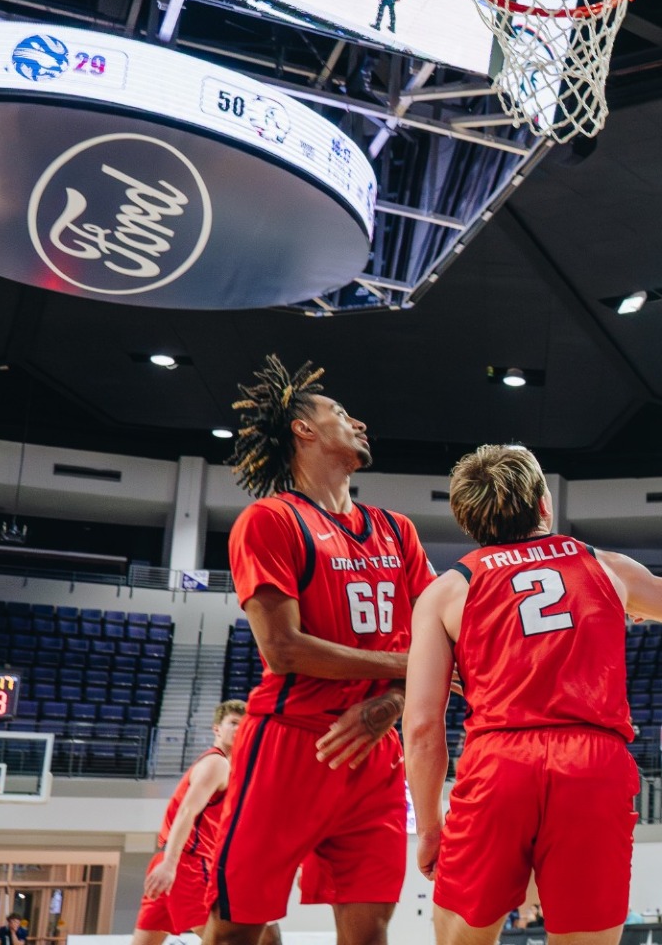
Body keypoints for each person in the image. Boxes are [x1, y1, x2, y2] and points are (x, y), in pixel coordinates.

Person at [405, 445, 662, 945]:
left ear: (469, 518)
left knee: (459, 938)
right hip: (592, 763)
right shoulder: (602, 565)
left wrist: (429, 826)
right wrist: (640, 606)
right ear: (542, 506)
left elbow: (423, 726)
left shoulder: (447, 590)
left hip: (498, 761)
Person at [210, 357, 434, 945]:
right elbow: (282, 649)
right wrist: (405, 669)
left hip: (377, 748)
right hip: (292, 741)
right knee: (236, 928)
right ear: (303, 430)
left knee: (370, 930)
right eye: (339, 412)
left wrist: (389, 702)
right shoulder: (269, 521)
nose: (357, 420)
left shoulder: (397, 530)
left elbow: (444, 643)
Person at [133, 701, 245, 945]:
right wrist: (172, 864)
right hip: (186, 863)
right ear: (217, 728)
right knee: (223, 940)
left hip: (171, 860)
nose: (239, 729)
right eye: (233, 723)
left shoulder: (230, 766)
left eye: (243, 724)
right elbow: (187, 811)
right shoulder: (217, 763)